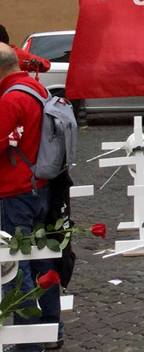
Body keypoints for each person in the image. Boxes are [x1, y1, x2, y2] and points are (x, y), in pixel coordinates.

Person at [0, 42, 61, 351]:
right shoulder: (36, 89)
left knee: (14, 264)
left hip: (14, 191)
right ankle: (51, 328)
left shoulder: (10, 99)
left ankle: (28, 342)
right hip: (39, 185)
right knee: (41, 258)